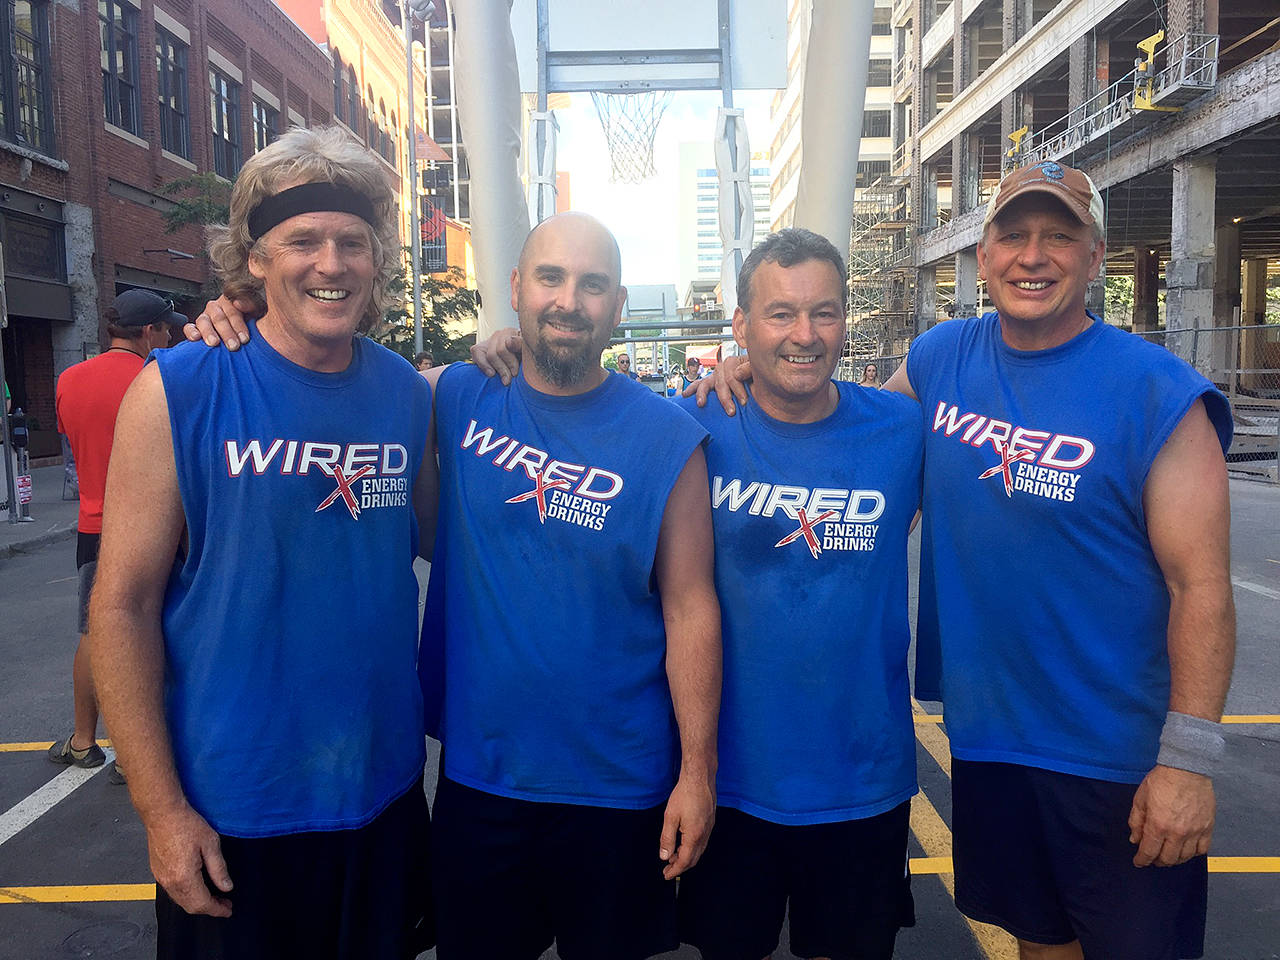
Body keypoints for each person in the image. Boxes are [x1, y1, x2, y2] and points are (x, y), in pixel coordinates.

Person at [702, 160, 1236, 960]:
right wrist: (752, 366)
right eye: (1014, 236)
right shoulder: (942, 358)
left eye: (1060, 237)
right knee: (1039, 945)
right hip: (988, 742)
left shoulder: (1157, 391)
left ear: (1096, 257)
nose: (1033, 255)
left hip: (1116, 753)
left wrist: (1189, 761)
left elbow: (1202, 586)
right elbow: (845, 433)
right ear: (982, 257)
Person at [87, 126, 437, 960]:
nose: (331, 263)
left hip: (382, 797)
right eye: (302, 241)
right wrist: (162, 813)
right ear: (252, 259)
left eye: (353, 242)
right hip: (233, 810)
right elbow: (122, 605)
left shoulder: (406, 394)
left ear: (378, 257)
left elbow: (459, 537)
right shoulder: (181, 386)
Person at [427, 211, 720, 960]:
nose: (569, 300)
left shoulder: (665, 436)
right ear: (518, 289)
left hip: (618, 787)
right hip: (483, 780)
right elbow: (335, 371)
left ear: (618, 307)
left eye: (592, 285)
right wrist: (230, 309)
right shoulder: (458, 397)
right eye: (551, 278)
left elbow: (690, 608)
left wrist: (697, 774)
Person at [675, 229, 919, 960]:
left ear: (847, 320)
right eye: (780, 315)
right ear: (741, 327)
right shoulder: (691, 423)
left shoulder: (904, 428)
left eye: (825, 313)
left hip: (862, 777)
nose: (804, 335)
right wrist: (510, 346)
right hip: (729, 779)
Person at [50, 290, 178, 782]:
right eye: (165, 329)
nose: (168, 337)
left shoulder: (69, 379)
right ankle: (136, 752)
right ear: (148, 332)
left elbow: (72, 438)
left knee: (95, 631)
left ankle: (84, 741)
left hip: (94, 523)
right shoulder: (159, 379)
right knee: (158, 630)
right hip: (157, 520)